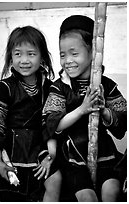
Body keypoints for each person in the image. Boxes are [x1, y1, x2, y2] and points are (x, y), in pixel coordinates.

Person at [42, 15, 127, 201]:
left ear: (93, 52)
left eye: (74, 53)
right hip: (72, 158)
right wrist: (82, 109)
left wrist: (104, 111)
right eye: (62, 55)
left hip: (104, 155)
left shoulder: (107, 85)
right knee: (87, 197)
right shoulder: (59, 87)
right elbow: (52, 126)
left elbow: (121, 126)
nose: (67, 60)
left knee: (112, 190)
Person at [0, 25, 61, 202]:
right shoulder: (4, 88)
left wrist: (51, 156)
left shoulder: (50, 88)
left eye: (31, 54)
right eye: (17, 54)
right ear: (10, 57)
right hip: (11, 154)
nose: (24, 60)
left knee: (55, 181)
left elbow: (51, 125)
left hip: (40, 153)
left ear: (43, 57)